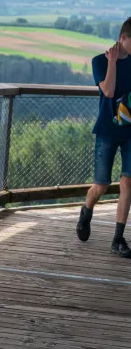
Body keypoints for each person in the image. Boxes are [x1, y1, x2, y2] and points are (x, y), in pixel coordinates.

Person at [77, 17, 131, 258]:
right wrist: (112, 62)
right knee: (101, 185)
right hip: (107, 132)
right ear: (123, 38)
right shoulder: (99, 61)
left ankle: (118, 239)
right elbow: (108, 91)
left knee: (128, 183)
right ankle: (87, 210)